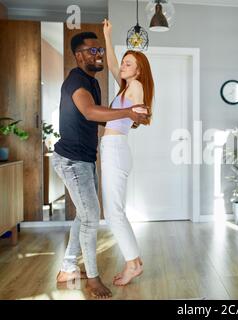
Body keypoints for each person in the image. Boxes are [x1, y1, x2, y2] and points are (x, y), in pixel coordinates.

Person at [52, 31, 149, 299]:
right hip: (73, 160)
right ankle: (93, 279)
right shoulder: (78, 82)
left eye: (100, 51)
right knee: (91, 217)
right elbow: (90, 112)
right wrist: (128, 114)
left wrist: (130, 116)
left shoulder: (97, 82)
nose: (99, 55)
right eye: (92, 51)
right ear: (79, 55)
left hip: (89, 157)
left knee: (87, 215)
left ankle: (68, 268)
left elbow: (107, 116)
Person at [101, 19, 154, 286]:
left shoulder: (135, 87)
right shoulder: (125, 86)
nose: (122, 66)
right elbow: (111, 64)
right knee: (115, 211)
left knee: (114, 213)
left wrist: (140, 113)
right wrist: (107, 36)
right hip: (114, 149)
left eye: (128, 63)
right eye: (124, 62)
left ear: (138, 69)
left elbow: (142, 112)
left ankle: (133, 263)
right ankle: (135, 261)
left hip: (116, 149)